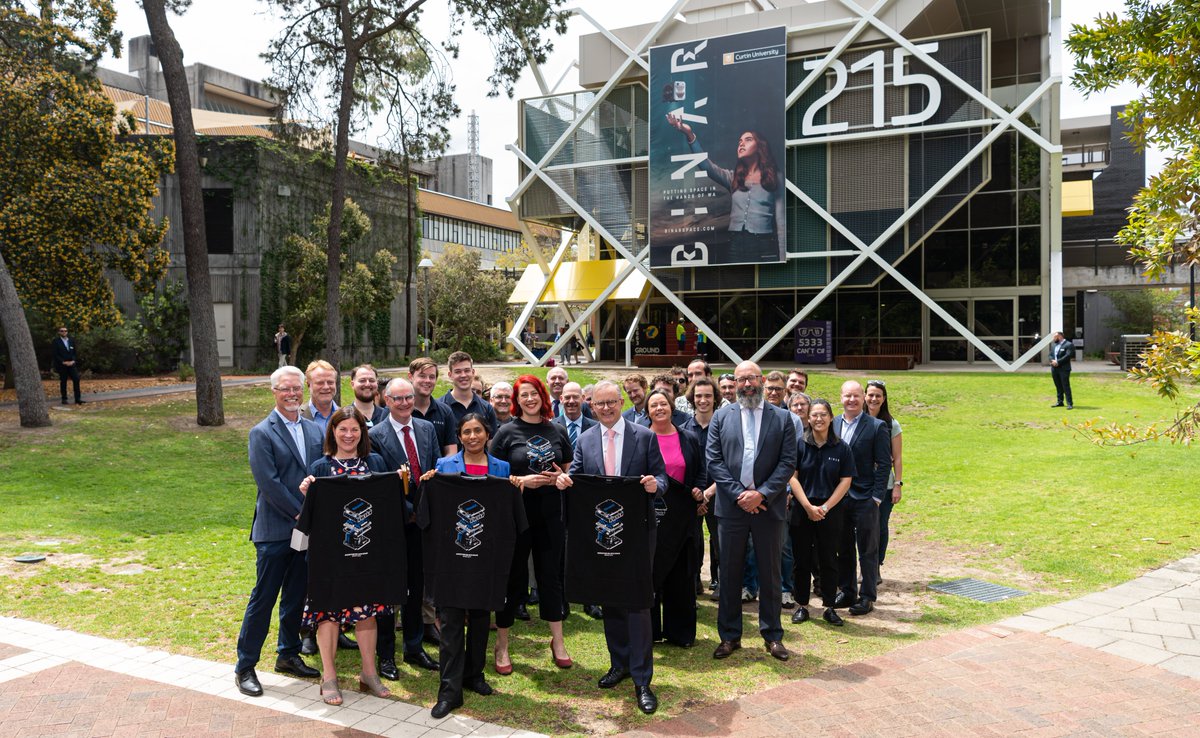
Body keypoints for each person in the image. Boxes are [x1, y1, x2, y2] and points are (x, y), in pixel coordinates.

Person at [556, 380, 668, 715]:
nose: (606, 408)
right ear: (592, 407)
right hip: (602, 534)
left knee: (636, 602)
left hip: (637, 533)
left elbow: (662, 480)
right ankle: (619, 663)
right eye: (599, 404)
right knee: (610, 598)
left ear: (621, 403)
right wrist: (564, 481)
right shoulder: (586, 439)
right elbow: (576, 478)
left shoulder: (644, 436)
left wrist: (653, 486)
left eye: (611, 403)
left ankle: (642, 679)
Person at [296, 407, 394, 705]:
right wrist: (307, 493)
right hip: (330, 555)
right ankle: (329, 677)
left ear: (363, 433)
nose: (349, 435)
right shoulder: (321, 467)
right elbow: (311, 516)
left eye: (355, 430)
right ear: (333, 433)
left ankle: (368, 673)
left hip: (368, 552)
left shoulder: (374, 462)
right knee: (329, 612)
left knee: (367, 612)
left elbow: (389, 503)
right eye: (343, 430)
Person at [235, 366, 323, 697]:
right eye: (285, 389)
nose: (291, 394)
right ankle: (245, 666)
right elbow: (268, 484)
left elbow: (319, 474)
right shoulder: (262, 432)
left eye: (296, 389)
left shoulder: (314, 430)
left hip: (304, 533)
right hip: (275, 531)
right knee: (264, 598)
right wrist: (302, 513)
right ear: (273, 391)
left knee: (296, 596)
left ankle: (287, 654)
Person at [421, 413, 513, 718]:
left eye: (478, 431)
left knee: (479, 620)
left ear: (487, 434)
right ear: (459, 437)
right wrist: (428, 484)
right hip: (452, 558)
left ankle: (475, 675)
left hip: (485, 557)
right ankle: (449, 690)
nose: (473, 436)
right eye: (466, 432)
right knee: (450, 623)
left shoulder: (502, 468)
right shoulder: (444, 467)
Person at [705, 361, 797, 662]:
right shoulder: (721, 416)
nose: (747, 384)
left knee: (770, 573)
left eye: (752, 379)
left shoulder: (782, 418)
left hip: (767, 508)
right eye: (741, 379)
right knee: (730, 573)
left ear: (762, 380)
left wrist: (762, 494)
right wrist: (740, 495)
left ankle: (772, 635)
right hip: (731, 508)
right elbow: (714, 461)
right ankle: (729, 636)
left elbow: (787, 463)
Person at [489, 375, 574, 675]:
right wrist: (520, 481)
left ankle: (558, 642)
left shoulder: (557, 430)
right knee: (512, 579)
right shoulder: (506, 432)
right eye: (523, 394)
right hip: (516, 515)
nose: (529, 399)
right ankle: (502, 645)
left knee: (550, 577)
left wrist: (563, 481)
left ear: (542, 396)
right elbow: (493, 476)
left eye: (534, 393)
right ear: (517, 399)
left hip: (551, 514)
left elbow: (565, 469)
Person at [367, 378, 441, 678]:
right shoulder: (374, 435)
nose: (404, 403)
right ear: (385, 400)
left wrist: (424, 511)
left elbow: (435, 470)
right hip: (392, 523)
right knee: (389, 590)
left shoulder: (427, 429)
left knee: (416, 587)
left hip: (422, 524)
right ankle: (386, 655)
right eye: (397, 398)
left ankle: (414, 646)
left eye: (408, 397)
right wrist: (408, 510)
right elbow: (378, 481)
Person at [665, 115, 785, 262]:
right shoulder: (733, 177)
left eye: (748, 140)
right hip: (735, 243)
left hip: (764, 243)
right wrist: (689, 134)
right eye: (739, 141)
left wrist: (782, 256)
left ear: (760, 146)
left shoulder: (775, 177)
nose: (741, 144)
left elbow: (781, 221)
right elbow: (706, 167)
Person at [645, 390, 706, 648]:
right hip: (649, 517)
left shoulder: (689, 438)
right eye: (653, 405)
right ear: (647, 411)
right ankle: (649, 632)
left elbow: (701, 471)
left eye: (663, 404)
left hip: (682, 518)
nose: (659, 408)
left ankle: (679, 632)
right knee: (650, 572)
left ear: (671, 407)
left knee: (680, 573)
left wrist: (698, 490)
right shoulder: (640, 438)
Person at [788, 398, 855, 627]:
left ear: (831, 417)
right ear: (808, 418)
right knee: (802, 560)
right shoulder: (799, 444)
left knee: (829, 559)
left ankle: (829, 606)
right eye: (814, 415)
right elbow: (792, 477)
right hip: (802, 510)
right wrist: (808, 506)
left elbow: (846, 480)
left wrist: (825, 507)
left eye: (823, 415)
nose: (818, 419)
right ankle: (802, 606)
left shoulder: (841, 447)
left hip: (831, 511)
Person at [833, 381, 891, 617]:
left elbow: (884, 463)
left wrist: (876, 497)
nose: (852, 400)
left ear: (863, 398)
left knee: (867, 549)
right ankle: (847, 591)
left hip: (865, 497)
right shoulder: (833, 423)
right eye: (848, 396)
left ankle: (867, 596)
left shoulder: (876, 426)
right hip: (839, 497)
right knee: (843, 548)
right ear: (841, 398)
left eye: (856, 396)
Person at [683, 378, 720, 600]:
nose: (703, 400)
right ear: (692, 399)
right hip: (692, 495)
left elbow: (731, 465)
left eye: (707, 396)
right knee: (692, 540)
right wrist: (696, 494)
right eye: (698, 396)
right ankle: (693, 580)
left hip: (720, 493)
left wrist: (709, 493)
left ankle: (721, 583)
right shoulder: (685, 429)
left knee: (720, 541)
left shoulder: (724, 426)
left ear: (715, 398)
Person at [865, 380, 903, 574]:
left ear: (884, 398)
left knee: (880, 526)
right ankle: (865, 565)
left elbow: (897, 458)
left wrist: (898, 484)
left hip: (885, 484)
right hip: (860, 482)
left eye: (878, 395)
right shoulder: (856, 420)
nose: (873, 398)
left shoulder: (891, 424)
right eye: (870, 394)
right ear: (865, 396)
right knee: (862, 528)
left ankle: (876, 566)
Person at [440, 351, 499, 435]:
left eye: (467, 370)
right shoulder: (440, 407)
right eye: (458, 371)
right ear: (450, 375)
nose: (463, 375)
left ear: (473, 372)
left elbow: (492, 444)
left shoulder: (486, 408)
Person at [409, 357, 458, 456]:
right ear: (410, 377)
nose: (427, 381)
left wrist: (441, 470)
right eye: (422, 376)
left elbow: (451, 450)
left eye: (432, 377)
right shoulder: (400, 410)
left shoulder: (445, 412)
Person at [300, 360, 339, 434]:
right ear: (308, 385)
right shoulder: (297, 417)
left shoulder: (347, 416)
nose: (326, 387)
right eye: (320, 383)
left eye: (330, 382)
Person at [51, 326, 84, 405]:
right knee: (63, 381)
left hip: (71, 364)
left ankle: (78, 398)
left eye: (65, 331)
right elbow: (55, 354)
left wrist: (73, 361)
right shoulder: (56, 341)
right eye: (62, 331)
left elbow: (74, 352)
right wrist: (63, 362)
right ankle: (64, 398)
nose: (64, 332)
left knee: (76, 379)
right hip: (62, 365)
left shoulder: (71, 340)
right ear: (59, 332)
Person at [1050, 331, 1075, 409]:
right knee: (1058, 385)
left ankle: (1069, 403)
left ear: (1060, 336)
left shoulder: (1069, 345)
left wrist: (1058, 362)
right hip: (1054, 368)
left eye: (1055, 337)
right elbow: (1050, 355)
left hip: (1064, 369)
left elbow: (1068, 355)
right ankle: (1060, 401)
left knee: (1065, 386)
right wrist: (1052, 361)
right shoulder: (1054, 345)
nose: (1054, 338)